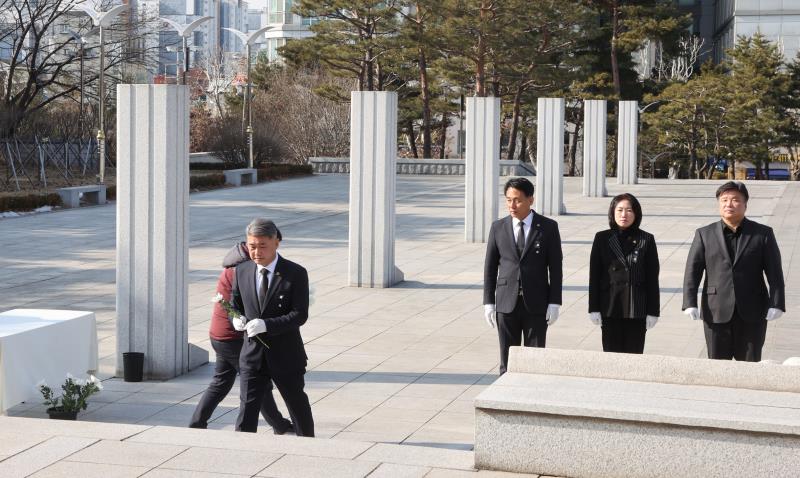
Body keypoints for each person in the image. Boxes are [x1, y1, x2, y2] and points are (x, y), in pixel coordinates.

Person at [189, 241, 292, 434]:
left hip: (220, 335)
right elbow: (249, 305)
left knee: (221, 382)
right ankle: (279, 425)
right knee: (256, 382)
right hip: (232, 337)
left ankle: (197, 423)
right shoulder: (242, 271)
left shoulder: (232, 269)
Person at [683, 181, 785, 362]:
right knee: (716, 365)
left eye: (735, 200)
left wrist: (776, 303)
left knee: (749, 365)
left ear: (745, 204)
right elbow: (692, 271)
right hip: (716, 309)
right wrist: (689, 302)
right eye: (724, 200)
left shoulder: (763, 234)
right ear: (718, 204)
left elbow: (775, 273)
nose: (729, 204)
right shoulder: (704, 234)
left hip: (753, 311)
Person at [231, 218, 314, 435]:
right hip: (252, 356)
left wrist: (266, 325)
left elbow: (299, 315)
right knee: (246, 413)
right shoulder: (242, 271)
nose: (256, 252)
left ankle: (309, 446)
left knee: (297, 407)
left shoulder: (295, 273)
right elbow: (235, 304)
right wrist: (236, 318)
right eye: (252, 246)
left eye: (262, 246)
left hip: (285, 354)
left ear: (276, 242)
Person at [483, 177, 563, 375]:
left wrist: (554, 302)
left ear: (530, 200)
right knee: (507, 359)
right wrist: (488, 302)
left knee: (535, 359)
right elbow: (490, 267)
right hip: (506, 303)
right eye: (508, 200)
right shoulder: (498, 227)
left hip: (536, 303)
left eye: (517, 200)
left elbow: (556, 268)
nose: (512, 205)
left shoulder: (548, 227)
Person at [588, 193, 660, 354]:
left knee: (634, 357)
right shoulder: (602, 238)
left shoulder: (646, 239)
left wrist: (653, 311)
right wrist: (593, 307)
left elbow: (652, 279)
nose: (624, 215)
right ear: (612, 212)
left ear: (636, 213)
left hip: (636, 307)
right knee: (611, 357)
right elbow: (594, 276)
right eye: (619, 210)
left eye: (629, 210)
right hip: (610, 306)